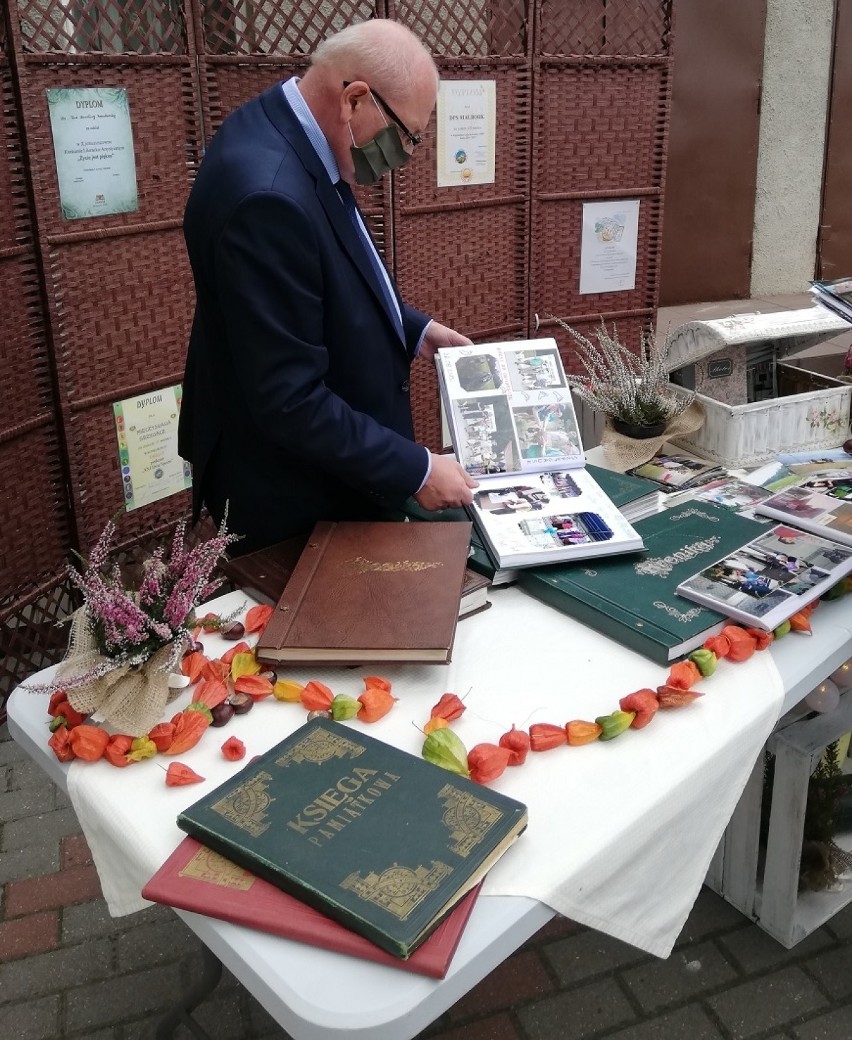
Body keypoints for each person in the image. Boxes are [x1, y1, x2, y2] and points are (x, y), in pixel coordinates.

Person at [178, 19, 477, 553]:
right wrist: (417, 469)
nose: (402, 159)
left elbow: (324, 278)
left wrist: (412, 327)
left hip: (324, 473)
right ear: (356, 99)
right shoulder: (268, 199)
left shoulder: (293, 130)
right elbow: (290, 399)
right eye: (406, 137)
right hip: (294, 501)